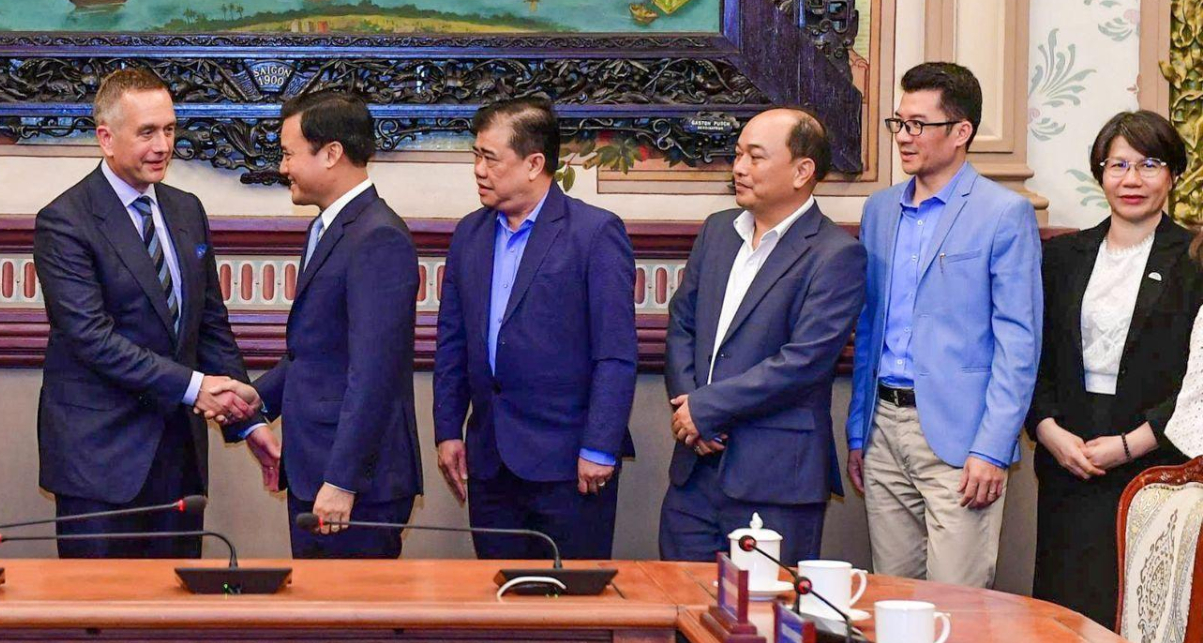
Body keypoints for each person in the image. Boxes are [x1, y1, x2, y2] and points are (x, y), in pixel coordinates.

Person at [32, 69, 269, 558]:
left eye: (169, 129)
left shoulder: (187, 210)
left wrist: (248, 420)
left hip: (179, 461)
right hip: (101, 463)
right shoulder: (65, 221)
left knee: (176, 605)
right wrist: (196, 388)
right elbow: (92, 339)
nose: (163, 146)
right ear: (106, 138)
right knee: (102, 607)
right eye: (146, 133)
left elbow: (209, 324)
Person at [848, 63, 1042, 588]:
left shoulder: (1004, 214)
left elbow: (1018, 343)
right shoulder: (880, 211)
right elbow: (869, 328)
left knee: (958, 608)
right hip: (883, 429)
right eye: (899, 122)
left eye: (918, 125)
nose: (903, 137)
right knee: (891, 601)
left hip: (961, 440)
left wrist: (992, 447)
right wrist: (858, 431)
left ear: (961, 132)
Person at [658, 108, 866, 565]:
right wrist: (692, 413)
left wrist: (706, 409)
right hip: (694, 472)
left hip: (776, 479)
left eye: (755, 157)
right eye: (737, 155)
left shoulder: (836, 255)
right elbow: (683, 323)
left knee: (767, 608)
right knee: (678, 599)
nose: (739, 168)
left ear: (802, 171)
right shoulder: (718, 231)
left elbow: (803, 362)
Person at [433, 98, 636, 559]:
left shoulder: (594, 233)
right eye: (476, 155)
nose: (478, 170)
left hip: (569, 465)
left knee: (570, 595)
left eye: (491, 158)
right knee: (497, 596)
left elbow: (615, 353)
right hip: (489, 463)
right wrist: (448, 430)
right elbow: (453, 341)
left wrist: (599, 447)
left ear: (534, 164)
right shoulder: (469, 234)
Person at [1027, 111, 1203, 626]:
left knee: (1138, 622)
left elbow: (1198, 381)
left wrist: (1131, 444)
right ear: (1100, 173)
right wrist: (1048, 430)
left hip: (1155, 466)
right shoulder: (1063, 256)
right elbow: (1033, 358)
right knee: (1063, 621)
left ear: (1174, 174)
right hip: (1068, 459)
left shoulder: (1194, 258)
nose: (1132, 179)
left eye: (1149, 164)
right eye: (1118, 165)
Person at [251, 91, 421, 557]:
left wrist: (343, 480)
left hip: (352, 486)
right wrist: (253, 401)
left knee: (348, 605)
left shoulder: (378, 236)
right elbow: (317, 349)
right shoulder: (329, 226)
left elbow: (374, 373)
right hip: (315, 470)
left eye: (289, 154)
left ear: (331, 154)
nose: (283, 168)